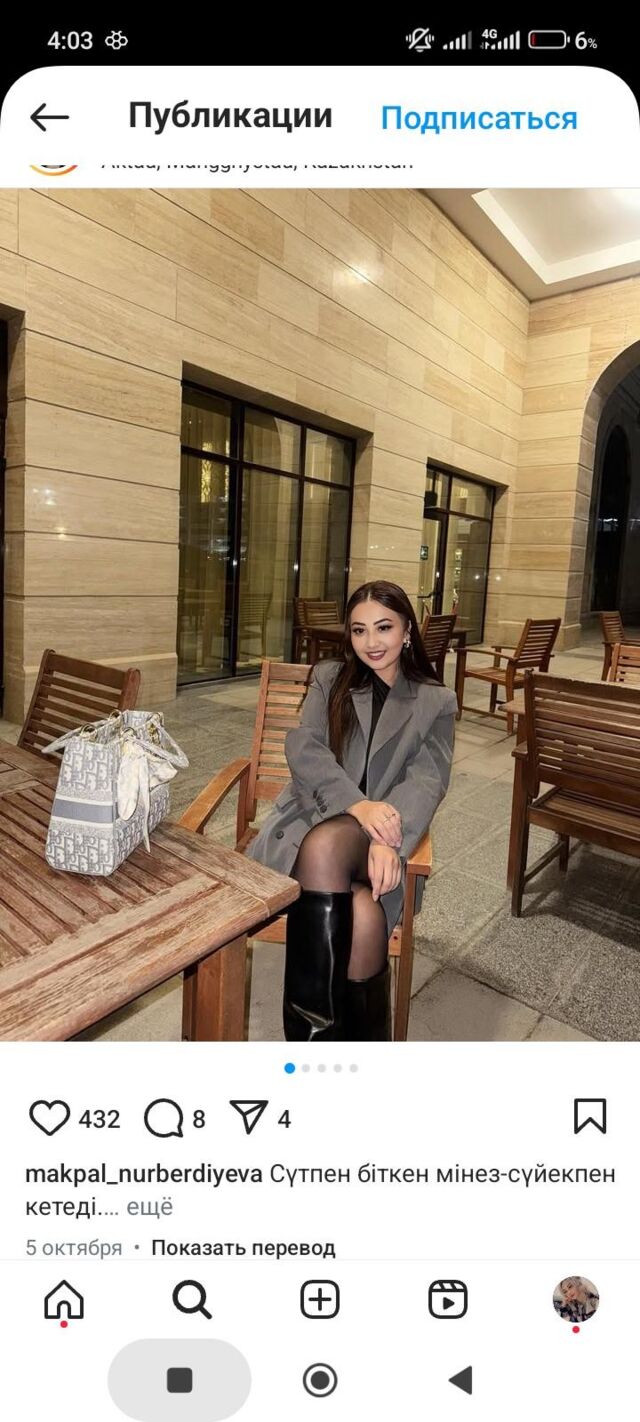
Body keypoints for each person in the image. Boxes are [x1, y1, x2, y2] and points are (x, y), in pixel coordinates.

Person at [247, 580, 458, 1042]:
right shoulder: (331, 678)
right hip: (314, 822)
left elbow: (427, 781)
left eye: (384, 627)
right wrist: (356, 805)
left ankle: (309, 1048)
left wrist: (385, 838)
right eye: (359, 630)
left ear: (407, 630)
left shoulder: (435, 701)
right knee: (363, 914)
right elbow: (304, 747)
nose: (371, 642)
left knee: (330, 851)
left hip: (383, 836)